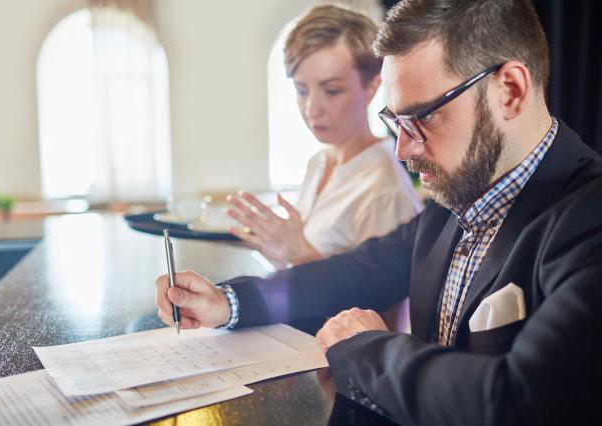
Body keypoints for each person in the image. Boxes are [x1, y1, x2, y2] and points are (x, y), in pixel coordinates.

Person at [156, 1, 601, 424]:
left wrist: (367, 349)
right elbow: (351, 273)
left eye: (423, 117)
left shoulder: (589, 217)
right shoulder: (452, 204)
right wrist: (229, 303)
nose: (403, 149)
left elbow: (519, 402)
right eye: (395, 121)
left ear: (510, 90)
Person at [225, 5, 420, 270]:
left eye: (331, 90)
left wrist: (298, 252)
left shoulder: (385, 188)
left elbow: (382, 302)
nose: (311, 109)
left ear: (371, 87)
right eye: (302, 90)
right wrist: (271, 244)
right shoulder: (318, 162)